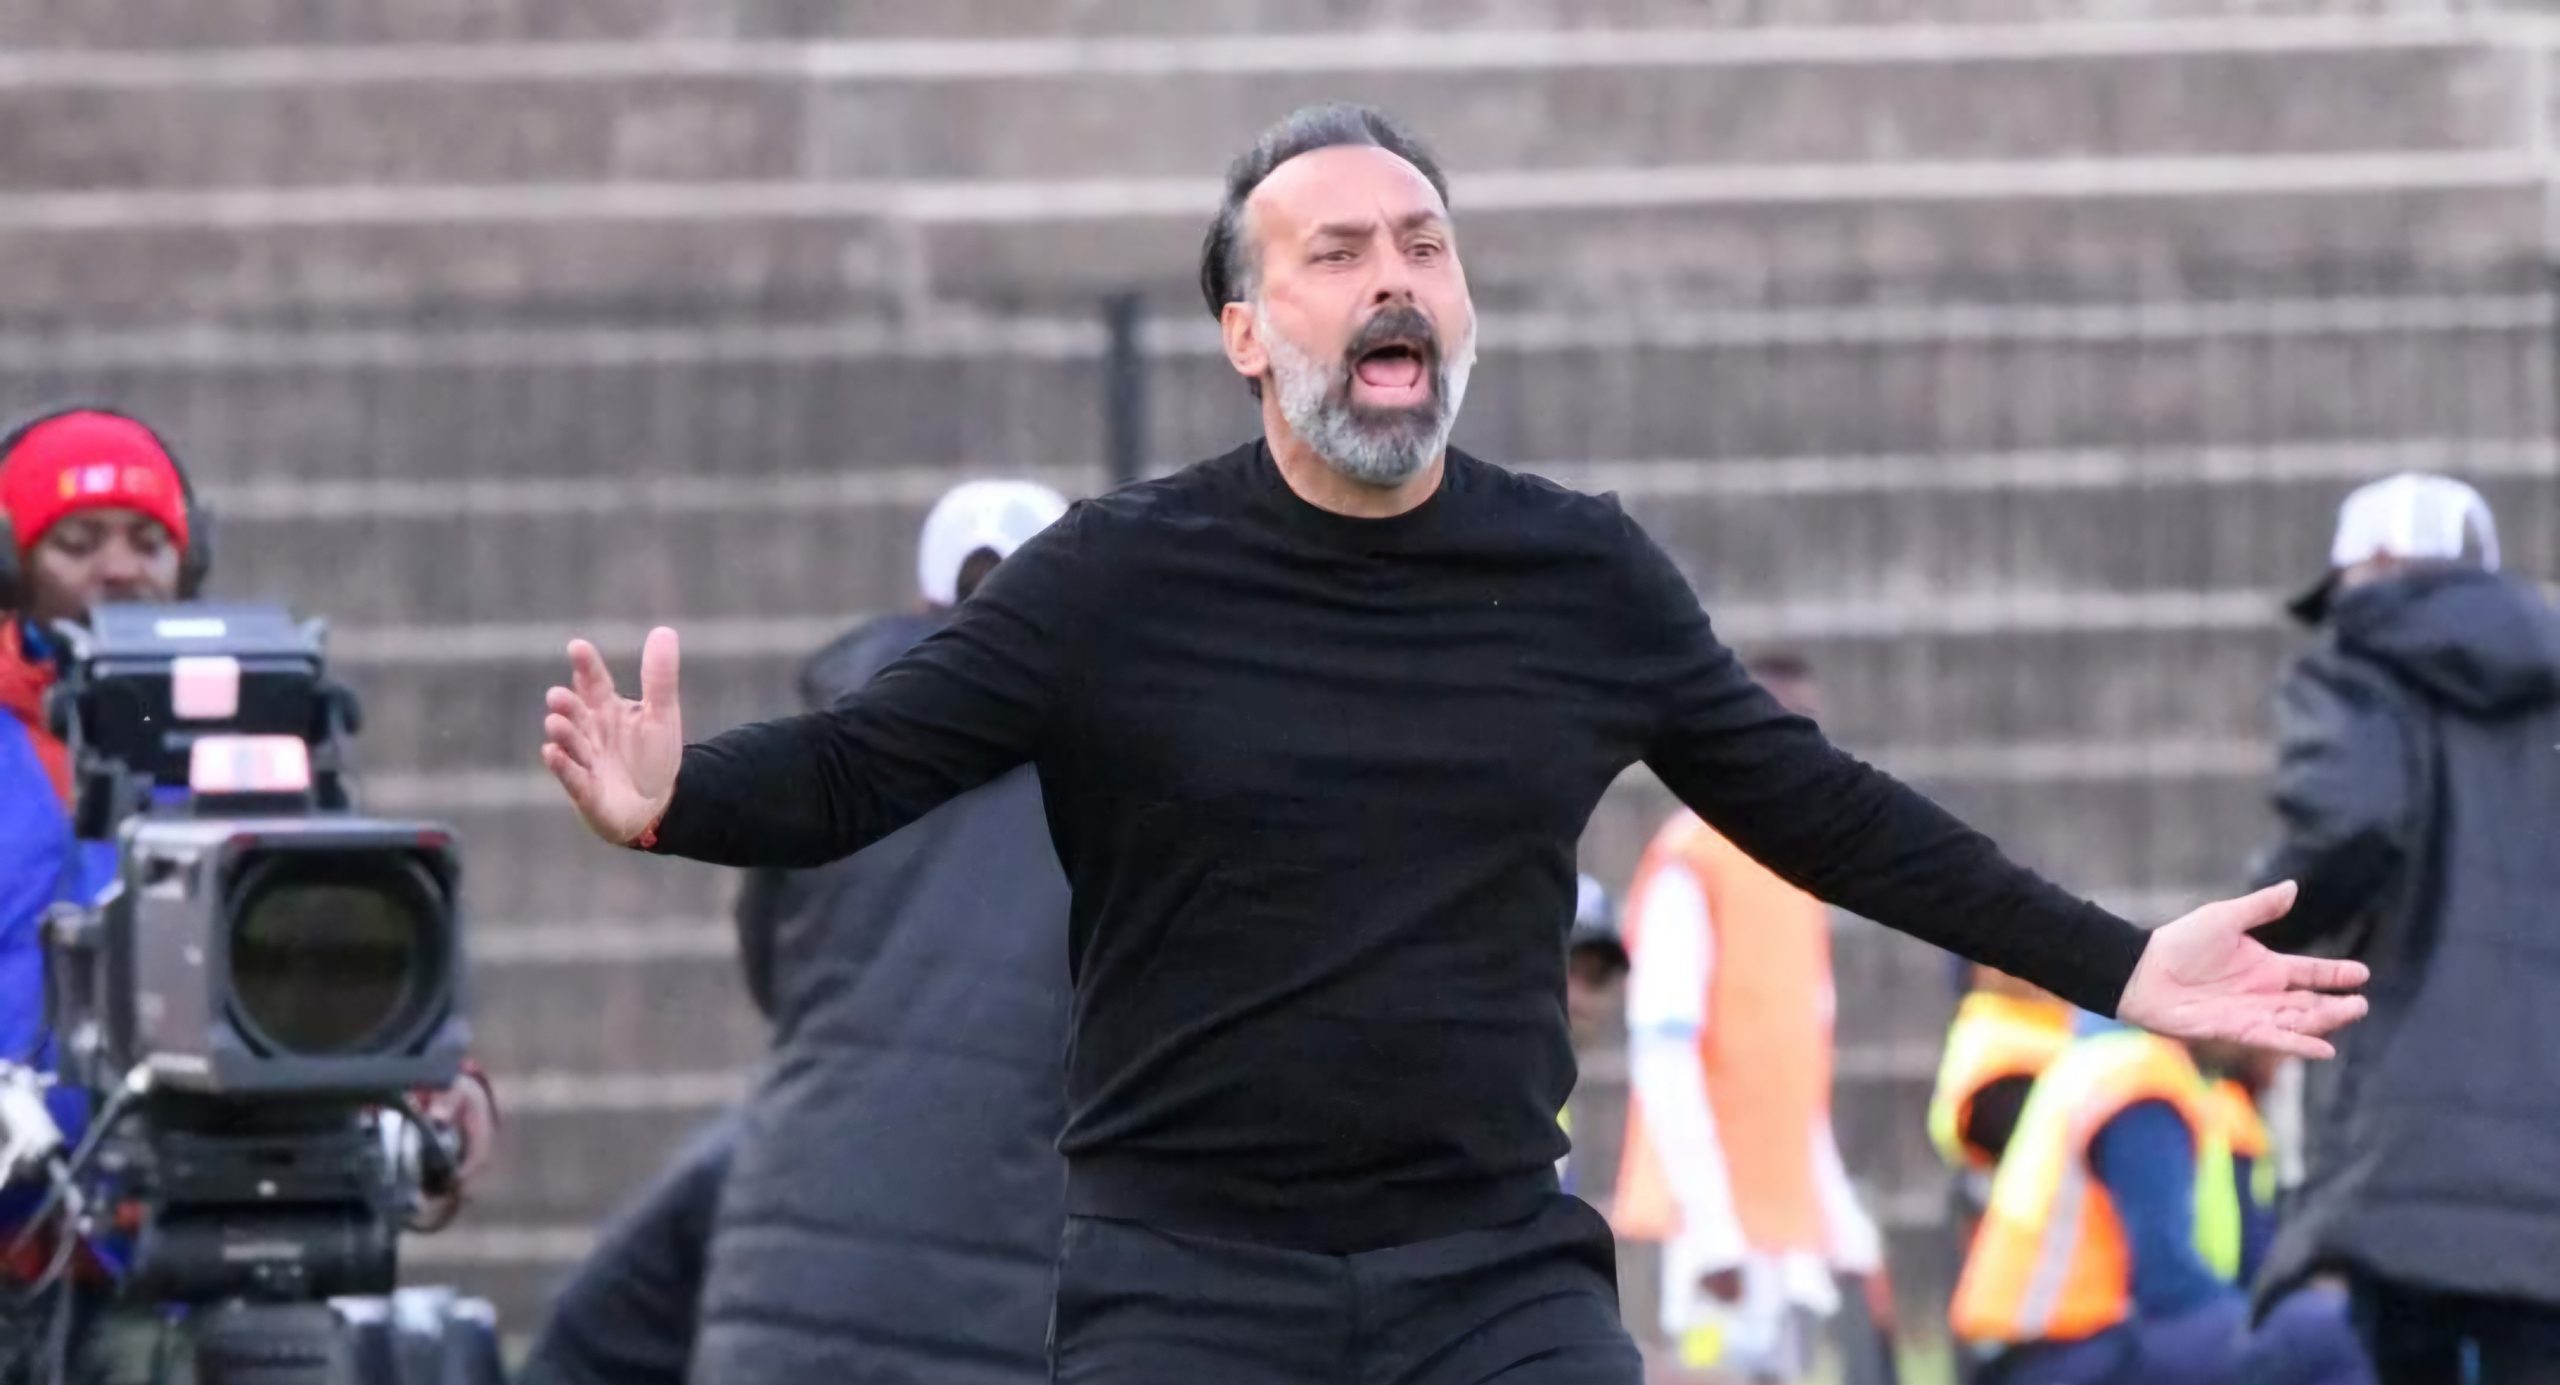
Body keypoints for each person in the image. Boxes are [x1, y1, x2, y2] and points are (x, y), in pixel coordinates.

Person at [536, 105, 2367, 1384]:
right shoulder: (1115, 581)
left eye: (1424, 244)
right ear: (1251, 332)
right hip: (1187, 1285)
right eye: (1336, 254)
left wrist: (2125, 965)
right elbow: (870, 770)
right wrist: (674, 798)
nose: (1393, 278)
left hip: (1494, 1275)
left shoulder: (1577, 572)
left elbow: (1822, 811)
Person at [0, 406, 497, 1383]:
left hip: (212, 1255)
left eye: (149, 540)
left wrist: (442, 1082)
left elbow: (332, 943)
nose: (120, 567)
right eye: (78, 539)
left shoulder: (253, 743)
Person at [688, 479, 1074, 1385]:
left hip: (785, 1287)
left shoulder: (828, 752)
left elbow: (771, 967)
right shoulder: (1119, 771)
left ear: (923, 605)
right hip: (1008, 1303)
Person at [2247, 473, 2560, 1384]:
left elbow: (2351, 821)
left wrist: (2253, 931)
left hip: (2409, 1139)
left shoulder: (2359, 664)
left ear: (2374, 567)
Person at [1605, 652, 1884, 1383]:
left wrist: (1838, 1215)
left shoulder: (1796, 874)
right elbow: (1663, 1054)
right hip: (1718, 1238)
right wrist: (1714, 1227)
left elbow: (1795, 1066)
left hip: (1785, 1233)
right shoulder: (1688, 864)